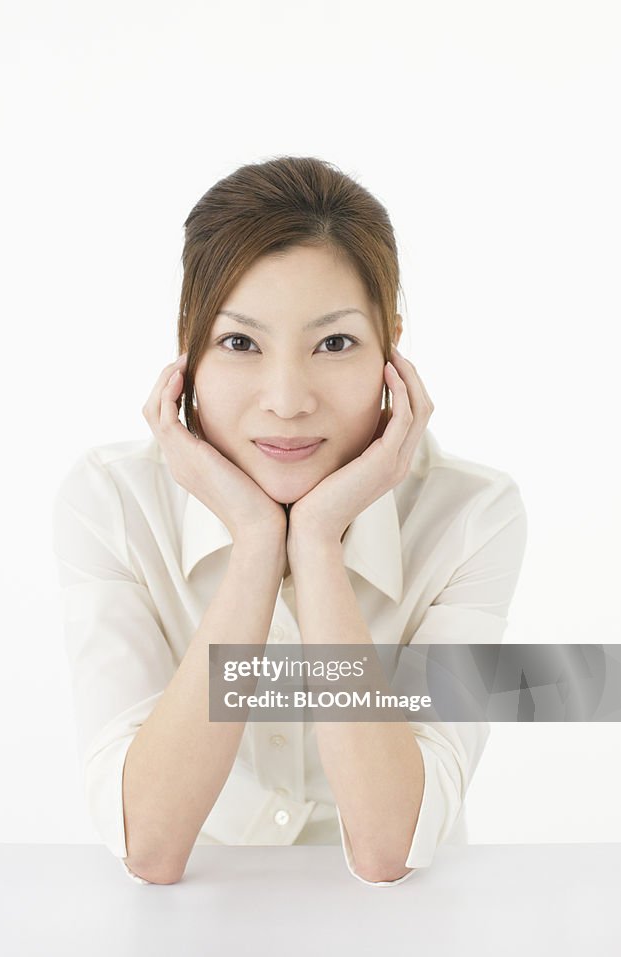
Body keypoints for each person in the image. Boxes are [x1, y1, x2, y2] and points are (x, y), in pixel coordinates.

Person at [52, 155, 528, 887]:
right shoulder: (113, 502)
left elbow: (390, 849)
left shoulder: (470, 515)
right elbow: (148, 846)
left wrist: (315, 543)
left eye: (333, 343)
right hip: (179, 948)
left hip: (409, 946)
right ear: (189, 343)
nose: (286, 399)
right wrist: (253, 545)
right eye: (240, 343)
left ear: (389, 352)